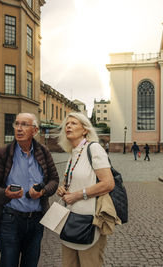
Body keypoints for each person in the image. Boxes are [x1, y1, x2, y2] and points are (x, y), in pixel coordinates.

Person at [0, 113, 59, 267]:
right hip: (10, 220)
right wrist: (5, 193)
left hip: (36, 220)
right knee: (8, 263)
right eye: (17, 124)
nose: (19, 128)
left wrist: (43, 191)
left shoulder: (43, 152)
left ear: (35, 130)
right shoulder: (3, 153)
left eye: (24, 124)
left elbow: (54, 180)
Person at [56, 112, 115, 267]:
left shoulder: (94, 149)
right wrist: (64, 190)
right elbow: (75, 182)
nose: (68, 126)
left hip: (89, 221)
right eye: (67, 124)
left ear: (85, 130)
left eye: (74, 123)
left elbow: (108, 183)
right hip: (69, 221)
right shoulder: (72, 154)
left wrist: (77, 195)